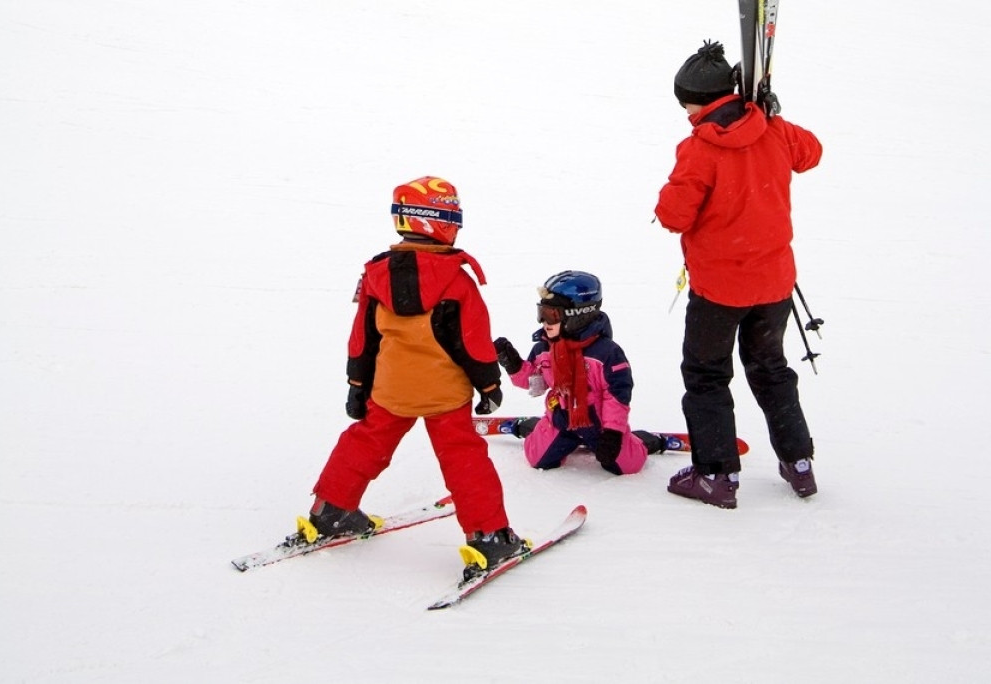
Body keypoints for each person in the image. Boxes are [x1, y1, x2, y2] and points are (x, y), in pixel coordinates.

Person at [304, 176, 529, 580]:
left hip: (390, 390)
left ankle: (330, 510)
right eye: (453, 219)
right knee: (463, 457)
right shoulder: (456, 281)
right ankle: (489, 537)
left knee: (366, 441)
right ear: (438, 222)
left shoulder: (376, 276)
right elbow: (474, 341)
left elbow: (362, 339)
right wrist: (490, 386)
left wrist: (357, 386)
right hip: (445, 395)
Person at [654, 41, 823, 508]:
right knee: (771, 370)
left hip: (718, 290)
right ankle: (799, 464)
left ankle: (716, 475)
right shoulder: (773, 130)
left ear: (701, 101)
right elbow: (812, 153)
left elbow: (673, 216)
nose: (686, 112)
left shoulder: (699, 149)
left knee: (706, 375)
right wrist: (774, 115)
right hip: (774, 285)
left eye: (687, 103)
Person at [492, 271, 667, 474]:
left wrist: (613, 432)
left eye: (552, 315)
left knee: (628, 466)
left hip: (600, 425)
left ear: (578, 315)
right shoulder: (545, 348)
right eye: (542, 313)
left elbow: (616, 396)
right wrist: (513, 364)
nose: (544, 322)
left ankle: (643, 442)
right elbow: (534, 382)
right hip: (561, 420)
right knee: (536, 458)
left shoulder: (607, 353)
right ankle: (532, 427)